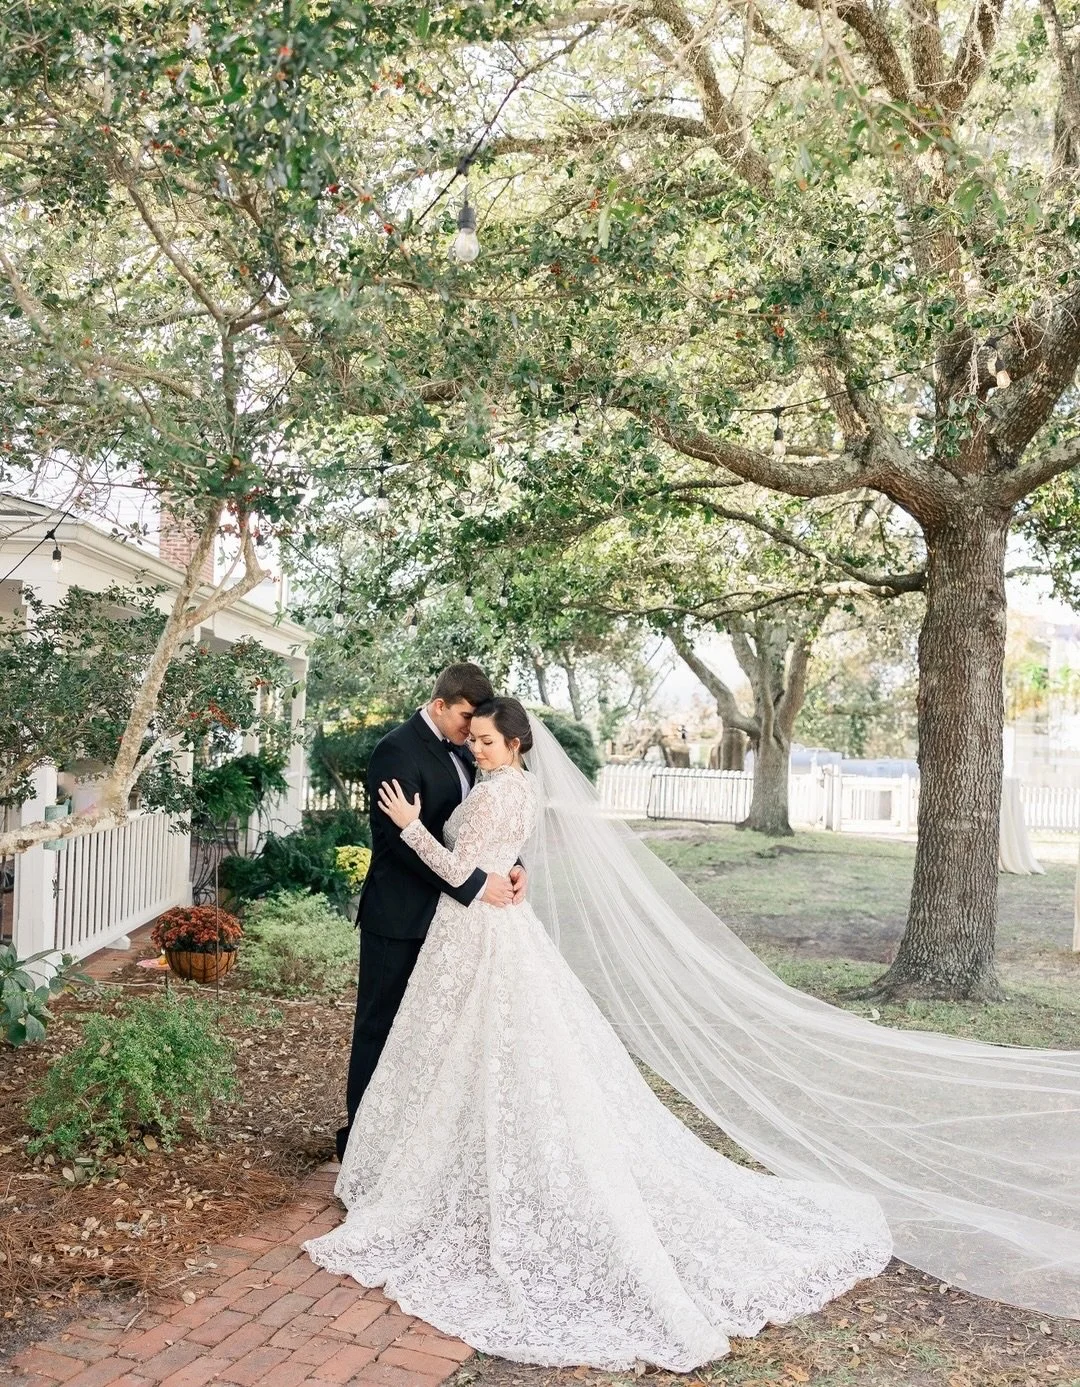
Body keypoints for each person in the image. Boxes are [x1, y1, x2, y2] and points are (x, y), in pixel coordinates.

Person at [308, 697, 892, 1370]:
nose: (478, 750)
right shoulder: (511, 789)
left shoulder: (502, 792)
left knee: (477, 1051)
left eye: (490, 742)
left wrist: (412, 826)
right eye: (475, 740)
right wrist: (501, 868)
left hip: (477, 932)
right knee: (470, 1055)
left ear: (518, 744)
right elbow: (492, 856)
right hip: (485, 929)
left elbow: (454, 868)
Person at [335, 663, 526, 1162]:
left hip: (457, 921)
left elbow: (477, 828)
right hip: (401, 917)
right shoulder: (395, 751)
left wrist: (510, 865)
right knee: (381, 1028)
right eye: (466, 718)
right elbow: (398, 845)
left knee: (433, 1039)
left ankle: (415, 1145)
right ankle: (361, 1143)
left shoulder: (471, 748)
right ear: (440, 705)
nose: (472, 733)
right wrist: (475, 884)